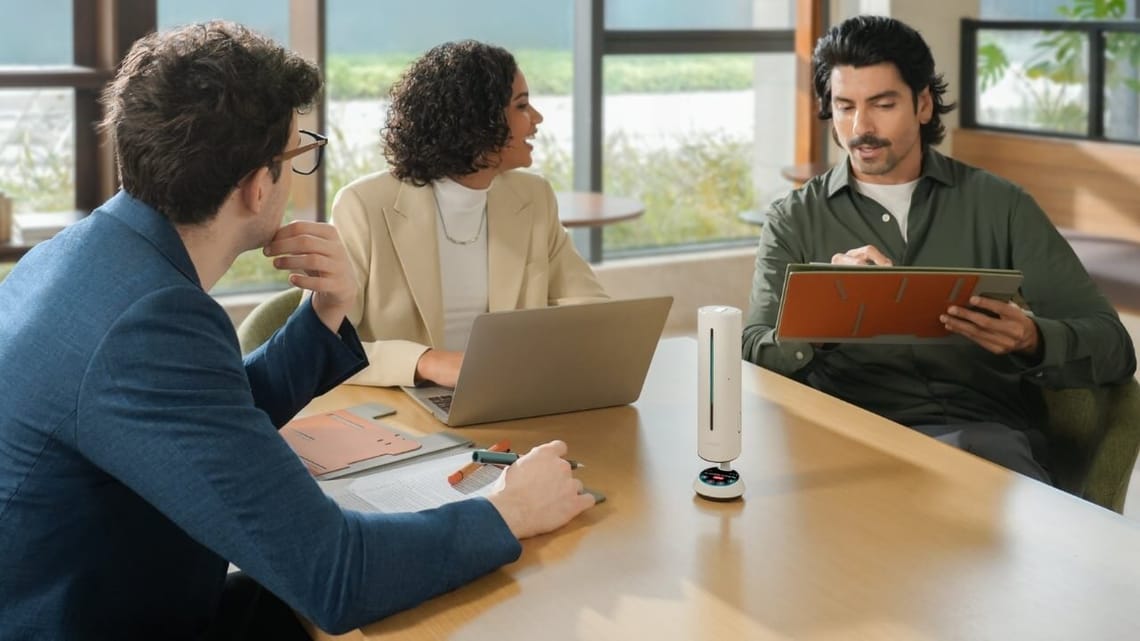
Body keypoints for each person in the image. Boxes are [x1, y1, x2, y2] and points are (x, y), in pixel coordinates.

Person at [0, 22, 594, 640]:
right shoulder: (148, 323)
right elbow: (335, 574)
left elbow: (208, 422)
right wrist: (506, 511)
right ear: (259, 185)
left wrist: (324, 315)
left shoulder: (78, 256)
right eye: (296, 154)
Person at [742, 15, 1136, 483]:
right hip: (848, 438)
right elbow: (752, 351)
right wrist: (826, 312)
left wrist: (1033, 339)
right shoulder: (794, 218)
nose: (859, 127)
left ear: (924, 104)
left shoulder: (1001, 206)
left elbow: (1114, 347)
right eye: (844, 107)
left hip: (981, 439)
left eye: (882, 105)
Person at [332, 40, 607, 389]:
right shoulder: (363, 205)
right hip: (403, 409)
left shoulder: (533, 197)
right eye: (521, 106)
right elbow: (324, 348)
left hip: (509, 399)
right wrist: (426, 362)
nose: (536, 119)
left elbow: (591, 312)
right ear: (476, 120)